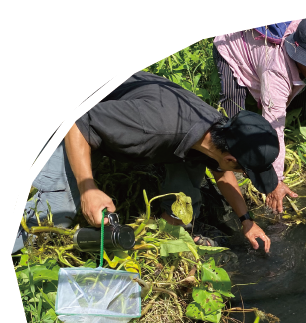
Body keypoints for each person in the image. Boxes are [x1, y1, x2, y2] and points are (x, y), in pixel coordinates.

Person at [13, 71, 279, 255]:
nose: (239, 173)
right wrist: (88, 188)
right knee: (58, 210)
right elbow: (77, 122)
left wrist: (246, 220)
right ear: (231, 157)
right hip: (74, 115)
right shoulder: (153, 128)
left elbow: (222, 174)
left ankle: (167, 231)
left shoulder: (217, 132)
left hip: (119, 115)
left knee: (187, 189)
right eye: (243, 170)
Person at [213, 16, 306, 214]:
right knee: (236, 117)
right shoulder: (277, 68)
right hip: (232, 46)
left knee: (304, 97)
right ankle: (237, 160)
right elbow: (274, 128)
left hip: (277, 65)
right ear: (298, 57)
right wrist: (275, 182)